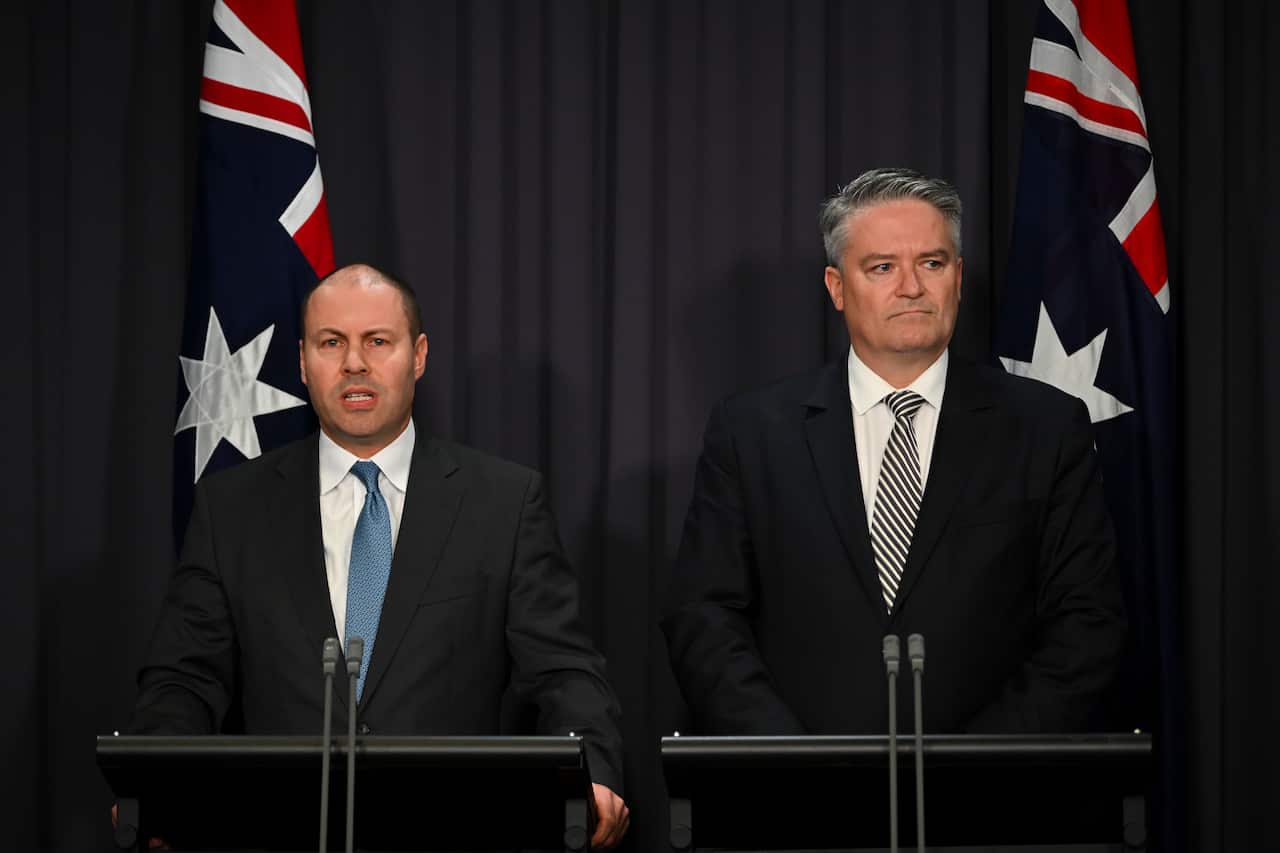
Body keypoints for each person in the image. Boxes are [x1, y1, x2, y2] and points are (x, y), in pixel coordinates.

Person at [130, 264, 629, 847]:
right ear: (302, 362)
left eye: (377, 342)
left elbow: (562, 669)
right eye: (331, 342)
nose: (354, 364)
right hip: (276, 829)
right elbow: (184, 678)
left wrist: (593, 767)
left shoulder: (504, 503)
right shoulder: (231, 508)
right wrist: (154, 775)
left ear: (417, 356)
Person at [662, 168, 1126, 736]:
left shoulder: (1046, 427)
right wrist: (790, 761)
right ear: (836, 287)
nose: (911, 286)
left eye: (931, 264)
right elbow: (703, 617)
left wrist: (972, 768)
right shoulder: (752, 432)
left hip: (990, 803)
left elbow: (1088, 624)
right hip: (799, 802)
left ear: (957, 278)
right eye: (882, 267)